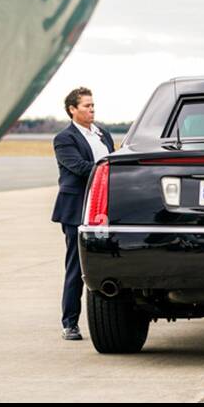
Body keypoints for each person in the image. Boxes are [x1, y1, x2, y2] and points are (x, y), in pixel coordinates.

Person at [52, 87, 114, 340]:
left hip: (104, 208)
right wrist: (110, 172)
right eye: (87, 106)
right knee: (76, 267)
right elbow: (78, 167)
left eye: (93, 105)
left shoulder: (103, 134)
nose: (92, 109)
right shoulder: (64, 139)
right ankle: (70, 322)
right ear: (72, 110)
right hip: (76, 209)